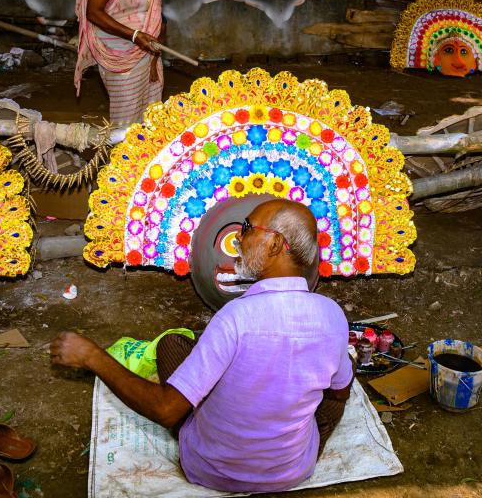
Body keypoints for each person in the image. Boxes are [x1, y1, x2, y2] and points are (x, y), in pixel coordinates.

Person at [51, 199, 353, 493]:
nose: (238, 237)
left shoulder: (235, 318)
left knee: (171, 345)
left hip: (212, 471)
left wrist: (92, 357)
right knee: (324, 399)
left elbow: (166, 410)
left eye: (247, 228)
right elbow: (339, 394)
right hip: (291, 472)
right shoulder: (333, 316)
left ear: (275, 244)